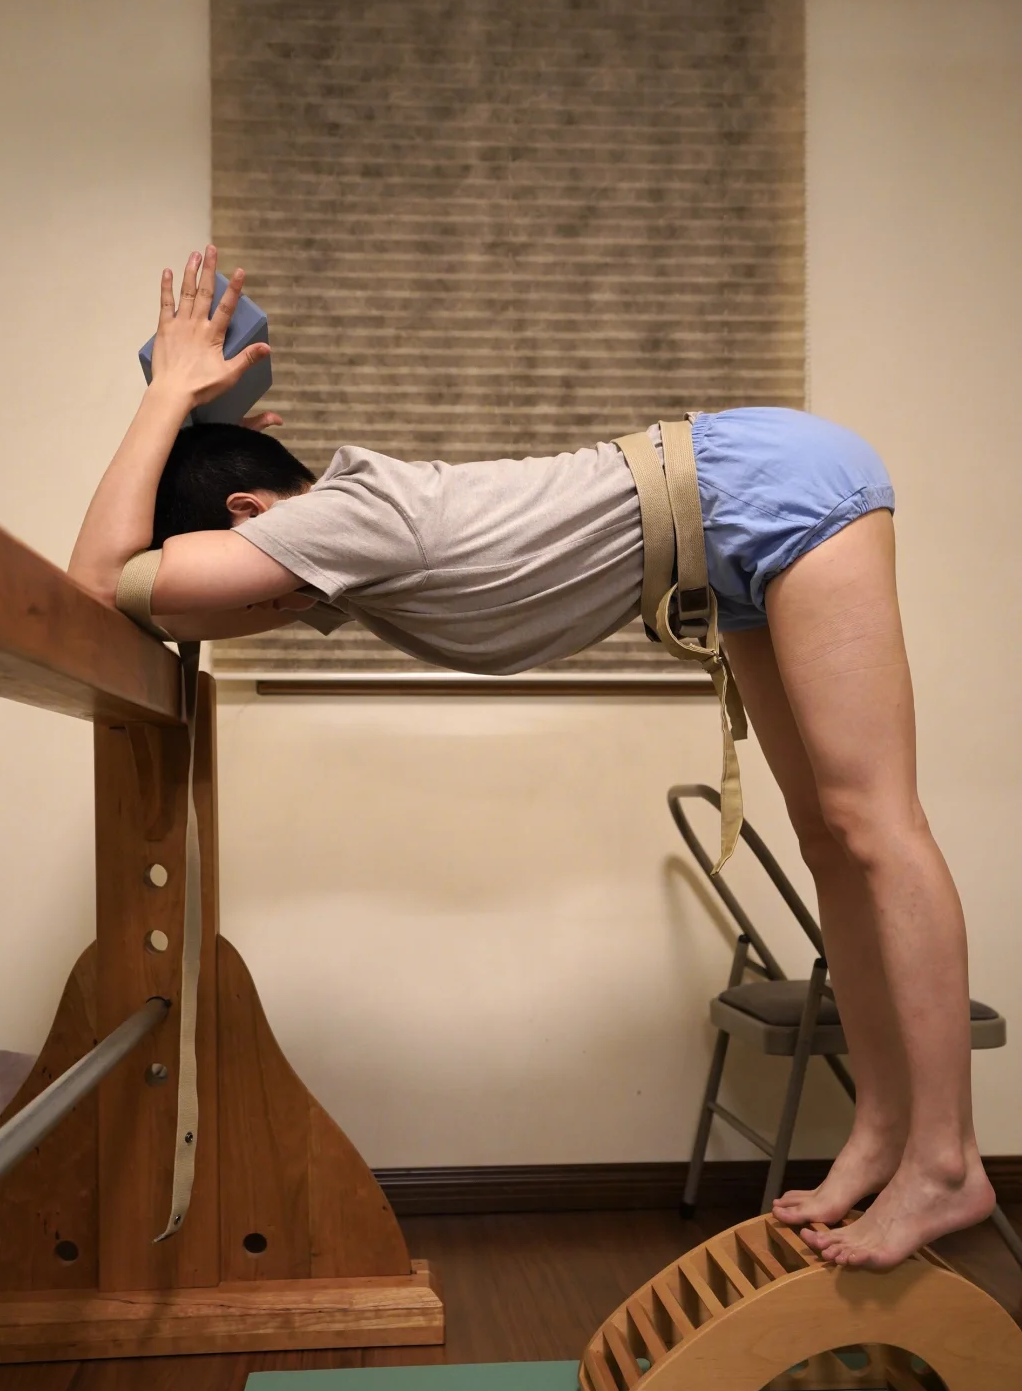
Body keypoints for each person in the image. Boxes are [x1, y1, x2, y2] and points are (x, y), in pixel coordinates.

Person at [69, 246, 995, 1272]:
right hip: (727, 536)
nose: (244, 606)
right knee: (830, 839)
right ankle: (883, 1131)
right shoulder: (344, 556)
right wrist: (197, 434)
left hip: (762, 484)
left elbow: (99, 581)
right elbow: (148, 597)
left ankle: (946, 1160)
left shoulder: (336, 521)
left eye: (236, 576)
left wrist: (167, 397)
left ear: (249, 516)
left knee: (874, 824)